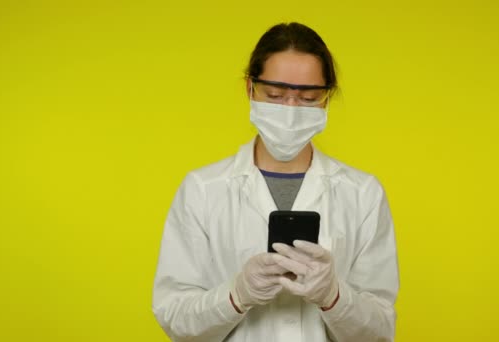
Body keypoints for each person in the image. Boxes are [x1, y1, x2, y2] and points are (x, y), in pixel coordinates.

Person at [152, 22, 399, 342]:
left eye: (309, 98)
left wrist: (335, 297)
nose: (291, 111)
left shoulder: (363, 194)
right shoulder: (202, 189)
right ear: (249, 89)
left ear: (326, 99)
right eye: (276, 95)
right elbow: (175, 320)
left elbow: (380, 332)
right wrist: (235, 296)